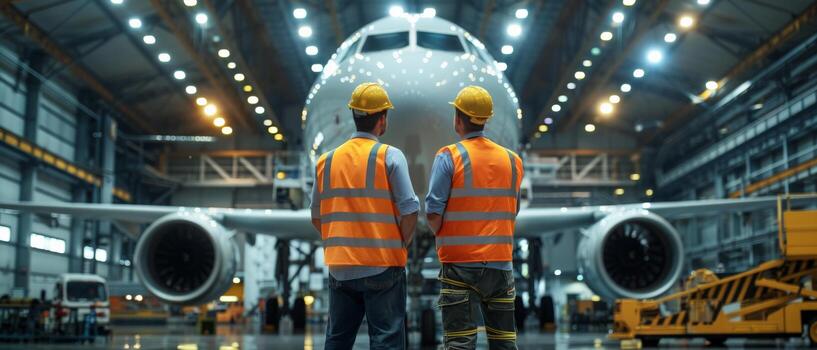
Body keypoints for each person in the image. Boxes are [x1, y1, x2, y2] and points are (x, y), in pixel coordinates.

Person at [311, 82, 419, 350]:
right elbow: (409, 209)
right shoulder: (390, 156)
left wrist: (340, 243)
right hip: (383, 264)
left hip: (341, 267)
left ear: (354, 116)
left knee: (337, 339)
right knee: (386, 339)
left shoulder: (327, 160)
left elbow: (316, 216)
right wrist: (400, 243)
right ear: (382, 119)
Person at [426, 85, 524, 350]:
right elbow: (513, 210)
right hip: (500, 267)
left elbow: (433, 211)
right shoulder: (512, 160)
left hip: (459, 265)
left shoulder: (449, 156)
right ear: (486, 119)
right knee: (504, 342)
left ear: (458, 118)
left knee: (460, 343)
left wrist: (444, 234)